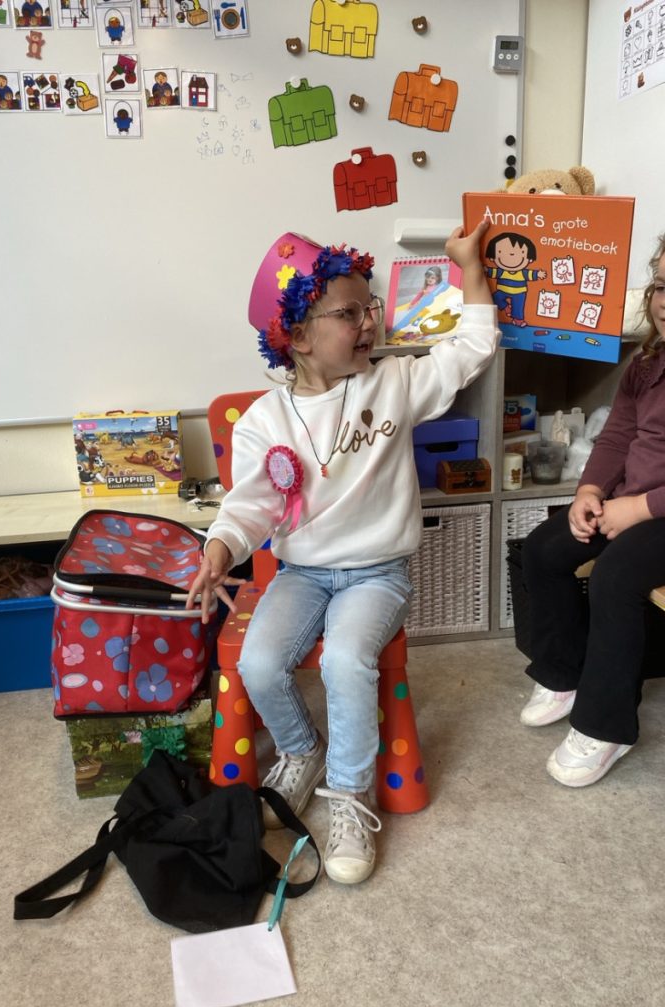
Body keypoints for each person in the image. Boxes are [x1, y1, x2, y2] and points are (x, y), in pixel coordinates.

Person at [186, 221, 498, 885]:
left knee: (347, 660)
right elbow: (250, 507)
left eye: (369, 307)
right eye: (349, 313)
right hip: (302, 573)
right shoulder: (266, 421)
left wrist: (469, 268)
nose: (369, 322)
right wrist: (219, 547)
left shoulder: (392, 384)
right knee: (259, 661)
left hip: (377, 575)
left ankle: (350, 796)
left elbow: (471, 348)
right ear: (298, 337)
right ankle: (302, 750)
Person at [520, 234, 665, 787]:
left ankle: (606, 727)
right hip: (633, 498)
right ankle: (565, 673)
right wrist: (590, 491)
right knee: (544, 548)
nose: (664, 301)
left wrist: (639, 509)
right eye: (660, 286)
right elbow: (618, 435)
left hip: (654, 509)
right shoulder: (647, 363)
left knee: (616, 577)